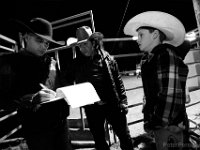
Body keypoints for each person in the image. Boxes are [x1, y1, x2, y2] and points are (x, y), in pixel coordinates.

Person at [0, 18, 73, 150]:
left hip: (62, 125)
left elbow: (61, 86)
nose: (44, 45)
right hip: (37, 130)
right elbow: (4, 99)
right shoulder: (11, 63)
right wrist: (29, 100)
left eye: (47, 43)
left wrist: (71, 93)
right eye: (39, 40)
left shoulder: (52, 62)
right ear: (26, 37)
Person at [124, 11, 189, 150]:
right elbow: (151, 91)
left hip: (170, 126)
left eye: (141, 35)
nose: (137, 39)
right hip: (162, 124)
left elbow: (170, 95)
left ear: (155, 35)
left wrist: (156, 122)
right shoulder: (150, 59)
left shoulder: (166, 55)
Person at [64, 26, 134, 150]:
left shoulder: (108, 59)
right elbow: (66, 81)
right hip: (92, 108)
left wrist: (123, 101)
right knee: (99, 140)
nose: (82, 48)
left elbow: (118, 81)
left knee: (125, 137)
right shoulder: (75, 64)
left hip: (112, 104)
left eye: (85, 44)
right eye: (79, 46)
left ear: (93, 42)